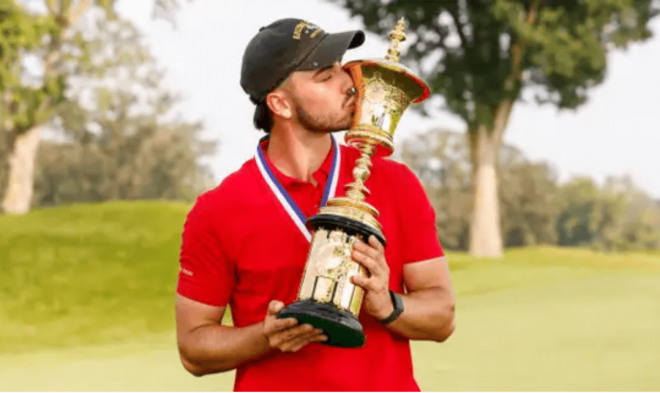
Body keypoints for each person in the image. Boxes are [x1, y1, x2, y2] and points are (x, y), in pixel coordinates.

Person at [175, 18, 456, 392]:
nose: (349, 82)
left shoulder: (396, 183)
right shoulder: (217, 210)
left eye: (342, 67)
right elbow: (193, 349)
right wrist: (266, 336)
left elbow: (442, 316)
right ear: (280, 103)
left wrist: (387, 304)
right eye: (325, 76)